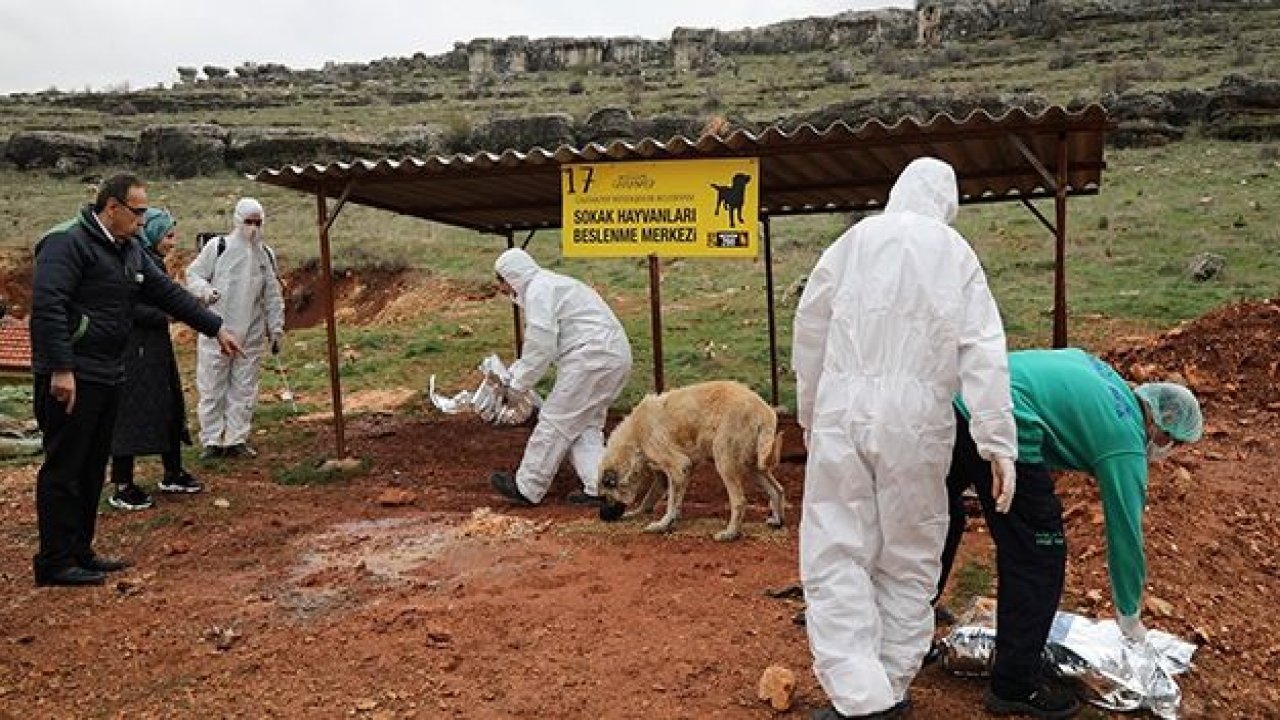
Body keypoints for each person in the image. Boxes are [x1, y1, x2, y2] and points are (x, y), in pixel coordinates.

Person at [792, 156, 1019, 720]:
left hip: (844, 409)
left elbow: (810, 327)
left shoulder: (854, 242)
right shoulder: (956, 253)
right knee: (909, 556)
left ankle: (862, 696)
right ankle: (887, 689)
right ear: (947, 202)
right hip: (919, 421)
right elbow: (985, 351)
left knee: (836, 549)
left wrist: (810, 412)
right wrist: (997, 441)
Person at [936, 349, 1203, 718]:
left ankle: (911, 620)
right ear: (1161, 429)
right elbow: (1125, 535)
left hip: (958, 400)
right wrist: (1129, 617)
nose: (1168, 452)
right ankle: (1015, 685)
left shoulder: (1105, 374)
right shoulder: (1125, 443)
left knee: (938, 513)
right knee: (1038, 556)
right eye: (1175, 444)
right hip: (1004, 425)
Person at [30, 173, 241, 587]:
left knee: (92, 465)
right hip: (74, 375)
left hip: (109, 370)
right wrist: (61, 368)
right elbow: (49, 307)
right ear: (112, 208)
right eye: (138, 211)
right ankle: (53, 561)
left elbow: (166, 292)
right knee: (65, 466)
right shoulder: (66, 243)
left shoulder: (127, 250)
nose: (144, 220)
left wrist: (215, 327)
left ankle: (80, 551)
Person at [488, 248, 632, 507]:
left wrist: (517, 385)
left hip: (592, 358)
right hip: (612, 358)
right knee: (584, 427)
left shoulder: (539, 290)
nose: (503, 289)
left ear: (512, 275)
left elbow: (541, 344)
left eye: (503, 282)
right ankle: (602, 489)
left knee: (554, 421)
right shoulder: (553, 284)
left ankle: (527, 487)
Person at [108, 209, 204, 511]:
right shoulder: (131, 260)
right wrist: (165, 314)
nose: (172, 242)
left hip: (156, 349)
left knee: (169, 406)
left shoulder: (152, 261)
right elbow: (126, 304)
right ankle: (123, 485)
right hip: (132, 350)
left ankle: (172, 472)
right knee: (129, 413)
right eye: (168, 236)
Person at [186, 198, 285, 459]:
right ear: (237, 221)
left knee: (244, 386)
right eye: (248, 222)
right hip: (216, 329)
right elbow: (192, 275)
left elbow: (272, 295)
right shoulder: (217, 247)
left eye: (258, 222)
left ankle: (236, 438)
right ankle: (211, 440)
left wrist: (275, 329)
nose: (253, 228)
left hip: (250, 331)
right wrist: (206, 292)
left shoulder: (266, 255)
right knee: (212, 385)